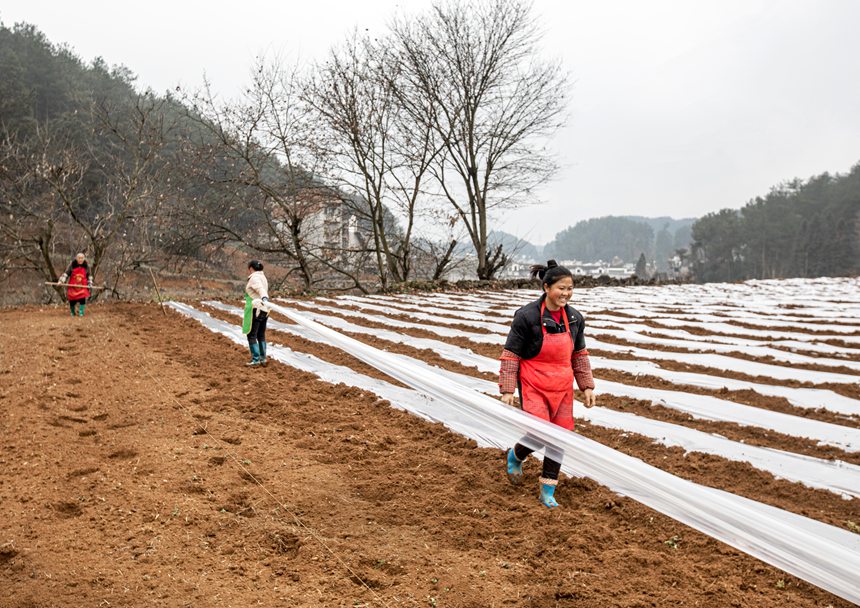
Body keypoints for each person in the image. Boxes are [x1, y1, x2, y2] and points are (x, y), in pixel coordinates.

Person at [499, 259, 597, 508]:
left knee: (559, 437)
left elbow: (579, 355)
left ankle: (547, 490)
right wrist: (508, 389)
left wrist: (586, 386)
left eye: (570, 288)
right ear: (546, 288)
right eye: (561, 288)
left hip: (562, 385)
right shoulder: (527, 316)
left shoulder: (575, 318)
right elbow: (511, 355)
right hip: (534, 382)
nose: (566, 293)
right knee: (542, 432)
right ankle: (516, 455)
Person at [243, 260, 271, 367]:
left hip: (256, 308)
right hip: (264, 308)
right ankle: (262, 358)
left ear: (250, 268)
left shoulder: (254, 278)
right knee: (261, 334)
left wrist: (264, 297)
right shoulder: (263, 277)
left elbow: (260, 289)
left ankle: (255, 359)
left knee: (251, 334)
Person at [58, 252, 93, 317]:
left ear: (84, 258)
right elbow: (66, 274)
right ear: (76, 258)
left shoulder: (87, 266)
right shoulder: (72, 265)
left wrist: (90, 283)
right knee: (72, 299)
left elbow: (89, 276)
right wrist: (61, 281)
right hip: (73, 285)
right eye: (79, 258)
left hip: (82, 286)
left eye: (82, 258)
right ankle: (72, 312)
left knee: (82, 298)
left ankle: (81, 312)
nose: (80, 260)